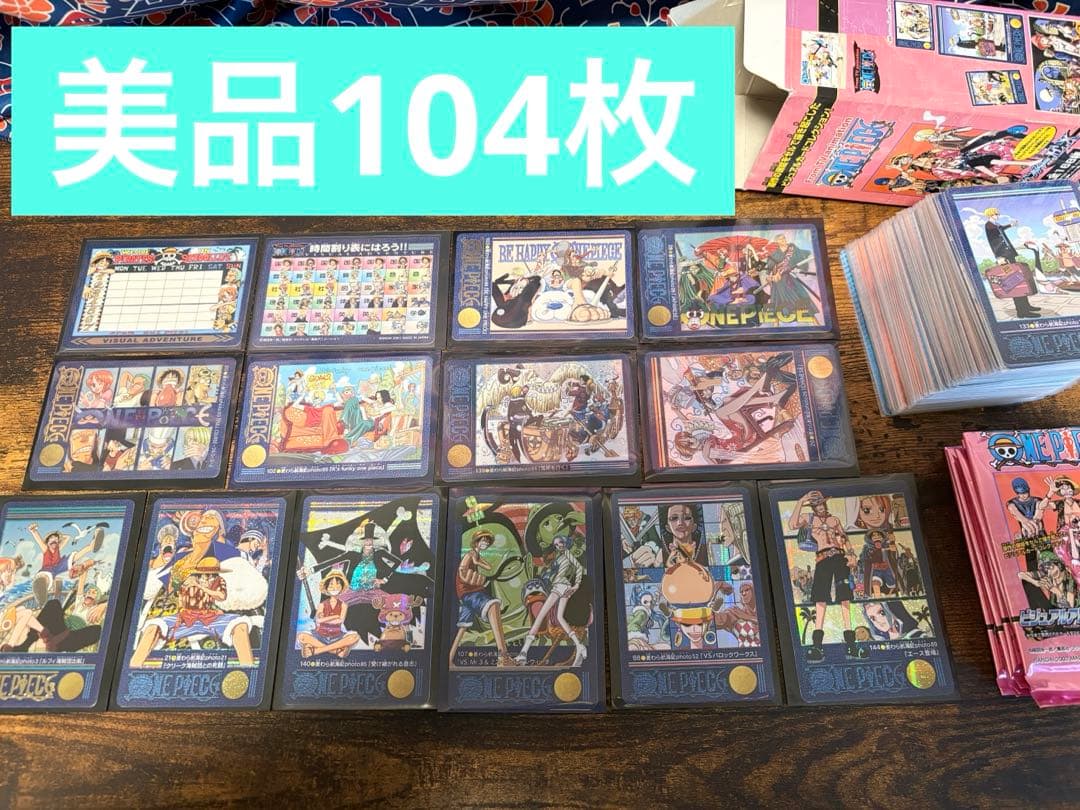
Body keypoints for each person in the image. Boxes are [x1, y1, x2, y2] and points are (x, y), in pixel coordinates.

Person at [788, 491, 865, 661]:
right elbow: (792, 524)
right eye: (816, 504)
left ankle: (851, 645)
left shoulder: (834, 520)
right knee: (820, 598)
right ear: (813, 506)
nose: (820, 506)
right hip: (822, 559)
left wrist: (851, 554)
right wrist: (801, 501)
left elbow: (844, 538)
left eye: (821, 503)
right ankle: (817, 646)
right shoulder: (808, 518)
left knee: (845, 597)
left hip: (840, 558)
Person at [516, 534, 587, 665]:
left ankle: (523, 652)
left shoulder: (566, 554)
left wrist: (576, 585)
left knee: (541, 615)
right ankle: (579, 645)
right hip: (563, 586)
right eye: (556, 544)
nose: (558, 546)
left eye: (560, 543)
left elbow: (579, 567)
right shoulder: (560, 556)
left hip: (560, 586)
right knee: (560, 617)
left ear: (565, 543)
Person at [448, 531, 515, 667]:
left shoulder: (476, 555)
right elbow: (462, 569)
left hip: (467, 594)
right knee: (493, 606)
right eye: (483, 540)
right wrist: (468, 574)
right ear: (476, 542)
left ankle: (449, 660)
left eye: (487, 541)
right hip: (469, 592)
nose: (485, 543)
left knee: (463, 627)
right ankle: (503, 657)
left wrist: (479, 561)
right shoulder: (470, 554)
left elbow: (489, 567)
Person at [296, 570, 360, 658]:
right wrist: (334, 616)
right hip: (319, 636)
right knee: (301, 636)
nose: (334, 587)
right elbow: (318, 620)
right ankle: (336, 651)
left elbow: (340, 621)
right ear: (326, 588)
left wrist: (326, 619)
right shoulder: (322, 605)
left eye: (338, 584)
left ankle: (316, 650)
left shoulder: (343, 605)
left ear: (342, 587)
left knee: (355, 637)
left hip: (337, 636)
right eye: (331, 585)